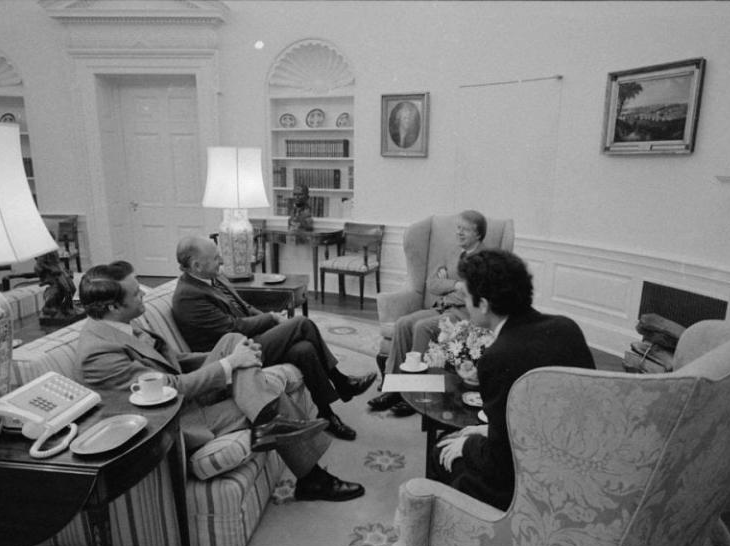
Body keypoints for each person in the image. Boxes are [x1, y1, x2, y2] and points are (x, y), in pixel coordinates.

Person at [76, 260, 364, 502]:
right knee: (269, 394)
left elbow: (176, 361)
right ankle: (312, 477)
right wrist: (229, 363)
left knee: (233, 341)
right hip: (178, 420)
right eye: (136, 294)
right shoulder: (98, 352)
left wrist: (230, 355)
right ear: (113, 307)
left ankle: (272, 427)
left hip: (186, 395)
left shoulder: (118, 325)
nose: (143, 296)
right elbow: (165, 390)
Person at [431, 249, 595, 511]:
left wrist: (469, 445)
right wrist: (490, 430)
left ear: (483, 304)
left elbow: (501, 464)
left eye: (467, 299)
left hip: (533, 488)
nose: (467, 307)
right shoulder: (567, 327)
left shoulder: (498, 357)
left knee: (441, 451)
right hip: (583, 464)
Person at [171, 236, 376, 441]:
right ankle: (342, 383)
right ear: (196, 265)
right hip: (233, 356)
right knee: (302, 323)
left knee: (304, 349)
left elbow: (245, 308)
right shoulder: (188, 296)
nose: (222, 260)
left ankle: (327, 413)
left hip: (249, 339)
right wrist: (270, 318)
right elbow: (233, 327)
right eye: (216, 258)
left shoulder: (212, 277)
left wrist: (274, 320)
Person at [368, 210, 487, 416]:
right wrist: (457, 284)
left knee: (422, 327)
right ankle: (394, 388)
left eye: (465, 230)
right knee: (404, 323)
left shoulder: (485, 258)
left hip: (463, 313)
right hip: (441, 307)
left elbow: (473, 294)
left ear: (478, 234)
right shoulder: (452, 251)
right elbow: (432, 284)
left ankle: (414, 393)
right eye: (458, 228)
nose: (459, 233)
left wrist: (449, 286)